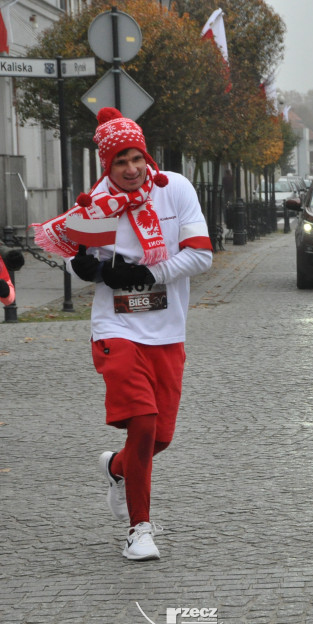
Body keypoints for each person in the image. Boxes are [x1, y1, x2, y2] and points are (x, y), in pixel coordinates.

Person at [33, 107, 213, 560]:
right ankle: (139, 530)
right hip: (115, 326)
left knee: (158, 438)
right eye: (120, 162)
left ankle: (117, 468)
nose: (131, 169)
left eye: (136, 158)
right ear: (106, 167)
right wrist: (89, 265)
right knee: (144, 421)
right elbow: (79, 259)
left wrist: (143, 273)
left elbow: (201, 256)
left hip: (167, 327)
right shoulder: (95, 204)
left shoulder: (176, 190)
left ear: (146, 156)